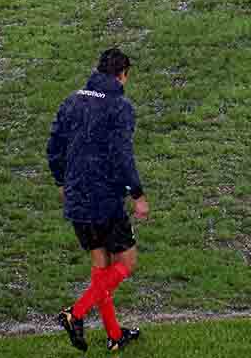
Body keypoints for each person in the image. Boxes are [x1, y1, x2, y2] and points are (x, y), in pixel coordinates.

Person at [49, 47, 150, 353]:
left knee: (100, 264)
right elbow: (122, 156)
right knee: (126, 262)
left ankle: (115, 335)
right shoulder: (120, 107)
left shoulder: (73, 100)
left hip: (77, 198)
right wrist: (138, 194)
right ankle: (75, 313)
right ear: (123, 74)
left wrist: (61, 180)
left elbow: (54, 145)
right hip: (105, 200)